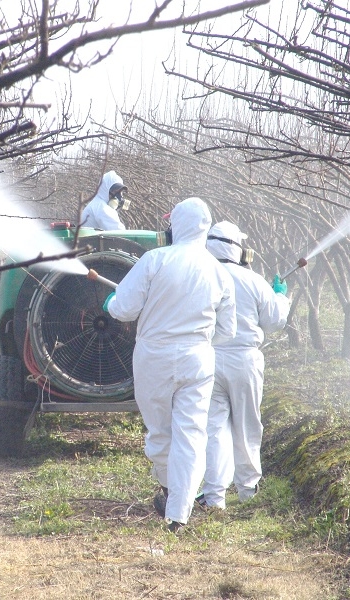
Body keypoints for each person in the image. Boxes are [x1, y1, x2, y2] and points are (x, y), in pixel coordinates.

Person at [103, 198, 236, 532]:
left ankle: (168, 488)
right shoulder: (220, 272)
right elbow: (228, 331)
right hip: (198, 358)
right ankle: (178, 512)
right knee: (191, 434)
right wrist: (200, 343)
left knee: (160, 432)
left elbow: (124, 309)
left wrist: (111, 303)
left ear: (175, 225)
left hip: (154, 357)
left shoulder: (155, 260)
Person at [196, 221, 291, 510]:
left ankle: (214, 497)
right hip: (245, 361)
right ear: (237, 249)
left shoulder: (200, 275)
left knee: (213, 430)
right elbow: (275, 321)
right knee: (247, 425)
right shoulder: (253, 280)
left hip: (207, 358)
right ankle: (248, 490)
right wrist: (280, 296)